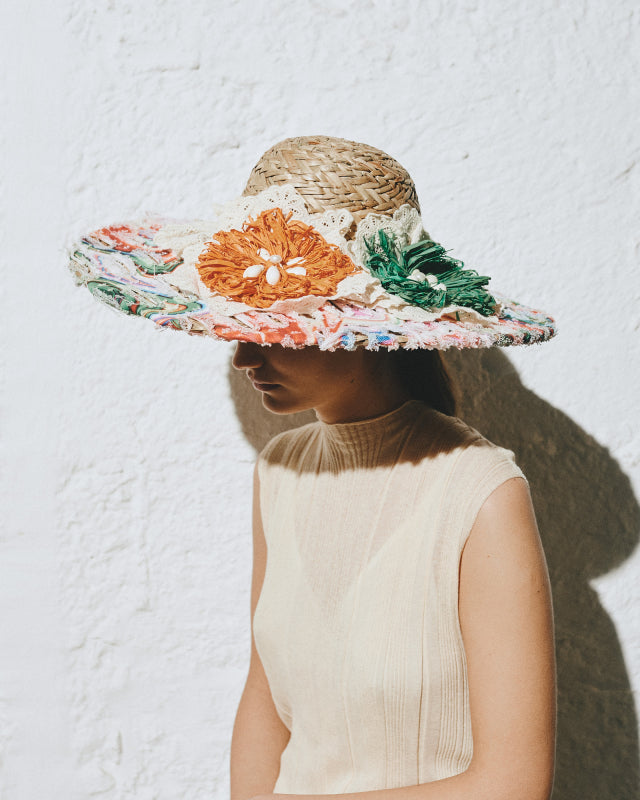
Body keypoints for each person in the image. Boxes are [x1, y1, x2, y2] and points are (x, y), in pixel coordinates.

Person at [68, 135, 557, 800]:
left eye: (266, 325)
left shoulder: (480, 493)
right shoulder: (279, 470)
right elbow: (265, 700)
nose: (243, 358)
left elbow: (512, 785)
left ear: (359, 325)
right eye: (235, 326)